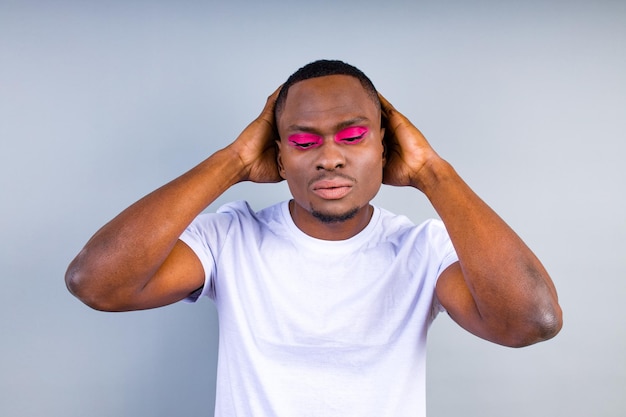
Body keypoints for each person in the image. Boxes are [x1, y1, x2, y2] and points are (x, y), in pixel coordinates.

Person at [65, 59, 562, 417]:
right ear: (280, 158)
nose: (328, 157)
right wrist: (233, 162)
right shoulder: (231, 238)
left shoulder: (423, 251)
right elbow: (96, 282)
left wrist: (434, 172)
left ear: (384, 149)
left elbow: (530, 321)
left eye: (352, 136)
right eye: (303, 142)